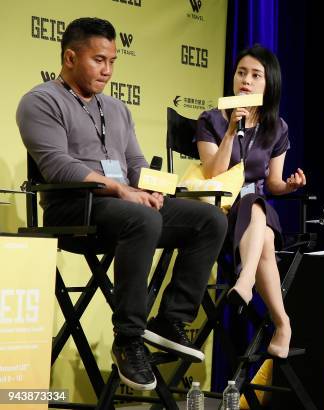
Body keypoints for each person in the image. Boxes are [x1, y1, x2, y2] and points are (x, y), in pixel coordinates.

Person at [16, 18, 227, 390]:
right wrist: (121, 190)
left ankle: (169, 319)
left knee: (209, 219)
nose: (108, 70)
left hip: (122, 206)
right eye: (99, 60)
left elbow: (136, 166)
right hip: (74, 207)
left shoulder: (117, 109)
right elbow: (58, 167)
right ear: (69, 57)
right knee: (140, 218)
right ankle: (129, 339)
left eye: (113, 61)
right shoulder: (40, 101)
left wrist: (158, 189)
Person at [195, 44, 306, 358]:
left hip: (256, 210)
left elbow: (273, 183)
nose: (246, 80)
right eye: (241, 72)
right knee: (266, 237)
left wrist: (289, 185)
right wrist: (231, 131)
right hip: (219, 212)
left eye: (256, 75)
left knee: (256, 199)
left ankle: (245, 283)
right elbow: (211, 173)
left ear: (268, 84)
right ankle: (282, 322)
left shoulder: (277, 127)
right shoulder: (211, 119)